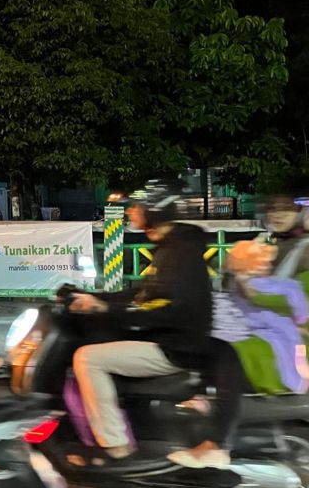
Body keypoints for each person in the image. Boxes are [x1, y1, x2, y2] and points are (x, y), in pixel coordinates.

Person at [69, 179, 239, 468]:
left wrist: (107, 308)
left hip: (175, 346)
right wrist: (94, 298)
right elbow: (143, 294)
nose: (130, 212)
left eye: (136, 207)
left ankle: (116, 448)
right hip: (170, 338)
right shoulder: (170, 247)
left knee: (87, 358)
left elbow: (165, 306)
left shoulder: (180, 252)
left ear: (154, 210)